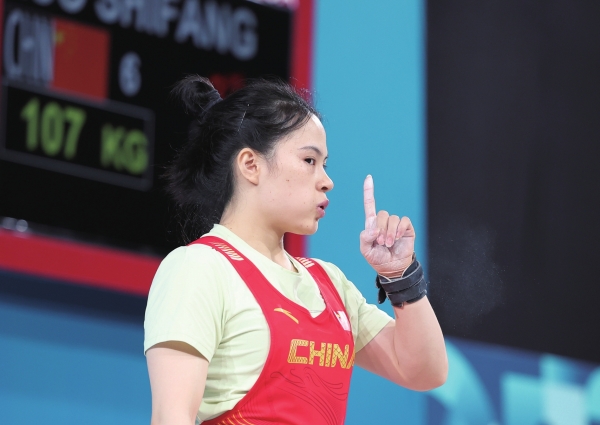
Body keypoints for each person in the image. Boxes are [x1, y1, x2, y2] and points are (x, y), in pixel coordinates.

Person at [144, 76, 447, 425]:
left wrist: (400, 276)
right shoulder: (199, 268)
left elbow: (424, 371)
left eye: (324, 164)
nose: (327, 181)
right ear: (251, 165)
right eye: (309, 160)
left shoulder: (330, 284)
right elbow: (171, 417)